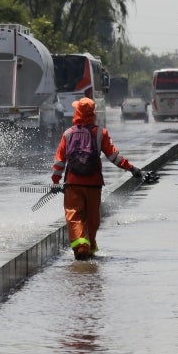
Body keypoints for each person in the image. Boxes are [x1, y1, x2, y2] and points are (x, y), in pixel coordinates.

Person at [51, 97, 143, 260]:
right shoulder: (101, 133)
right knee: (92, 218)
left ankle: (81, 248)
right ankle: (90, 247)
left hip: (73, 183)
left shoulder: (68, 134)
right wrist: (131, 168)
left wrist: (56, 181)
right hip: (94, 184)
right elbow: (114, 156)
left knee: (74, 216)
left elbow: (59, 161)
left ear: (77, 112)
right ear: (92, 113)